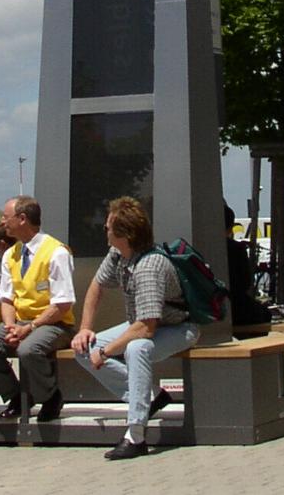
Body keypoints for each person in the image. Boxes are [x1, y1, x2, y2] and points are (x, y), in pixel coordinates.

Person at [72, 196, 200, 461]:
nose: (104, 230)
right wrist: (85, 329)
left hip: (177, 327)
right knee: (83, 349)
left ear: (125, 234)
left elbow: (146, 328)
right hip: (142, 323)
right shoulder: (118, 254)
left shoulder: (149, 267)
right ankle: (151, 397)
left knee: (136, 348)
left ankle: (136, 435)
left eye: (109, 227)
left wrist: (106, 352)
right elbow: (97, 286)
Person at [0, 196, 75, 422]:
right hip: (20, 322)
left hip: (55, 323)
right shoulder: (11, 254)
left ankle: (50, 397)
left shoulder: (56, 252)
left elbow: (62, 304)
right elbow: (7, 298)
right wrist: (10, 326)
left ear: (22, 219)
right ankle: (16, 397)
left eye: (5, 217)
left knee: (28, 349)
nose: (2, 222)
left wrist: (30, 327)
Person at [223, 204, 270, 328]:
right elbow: (246, 283)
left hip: (210, 306)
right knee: (264, 314)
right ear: (230, 227)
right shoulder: (237, 249)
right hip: (237, 306)